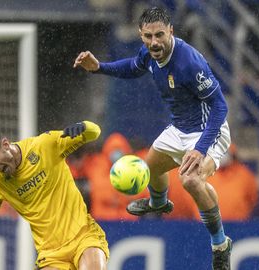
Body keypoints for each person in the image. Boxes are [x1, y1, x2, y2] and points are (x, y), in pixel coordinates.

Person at [74, 7, 232, 269]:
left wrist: (201, 148)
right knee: (153, 165)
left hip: (207, 131)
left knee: (190, 179)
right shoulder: (148, 53)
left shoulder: (189, 63)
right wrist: (99, 67)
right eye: (148, 36)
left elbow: (220, 107)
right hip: (179, 129)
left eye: (160, 35)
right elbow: (133, 68)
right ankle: (159, 203)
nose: (154, 42)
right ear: (141, 34)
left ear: (171, 31)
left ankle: (220, 244)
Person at [0, 121, 109, 270]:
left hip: (84, 236)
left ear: (5, 144)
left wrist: (83, 127)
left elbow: (94, 132)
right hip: (51, 254)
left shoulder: (44, 145)